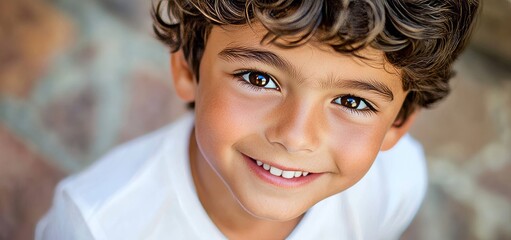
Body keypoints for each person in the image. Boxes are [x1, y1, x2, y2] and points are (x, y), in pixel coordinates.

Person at [36, 0, 480, 239]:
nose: (295, 136)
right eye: (258, 78)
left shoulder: (393, 186)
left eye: (354, 102)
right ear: (188, 69)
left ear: (399, 123)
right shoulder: (95, 225)